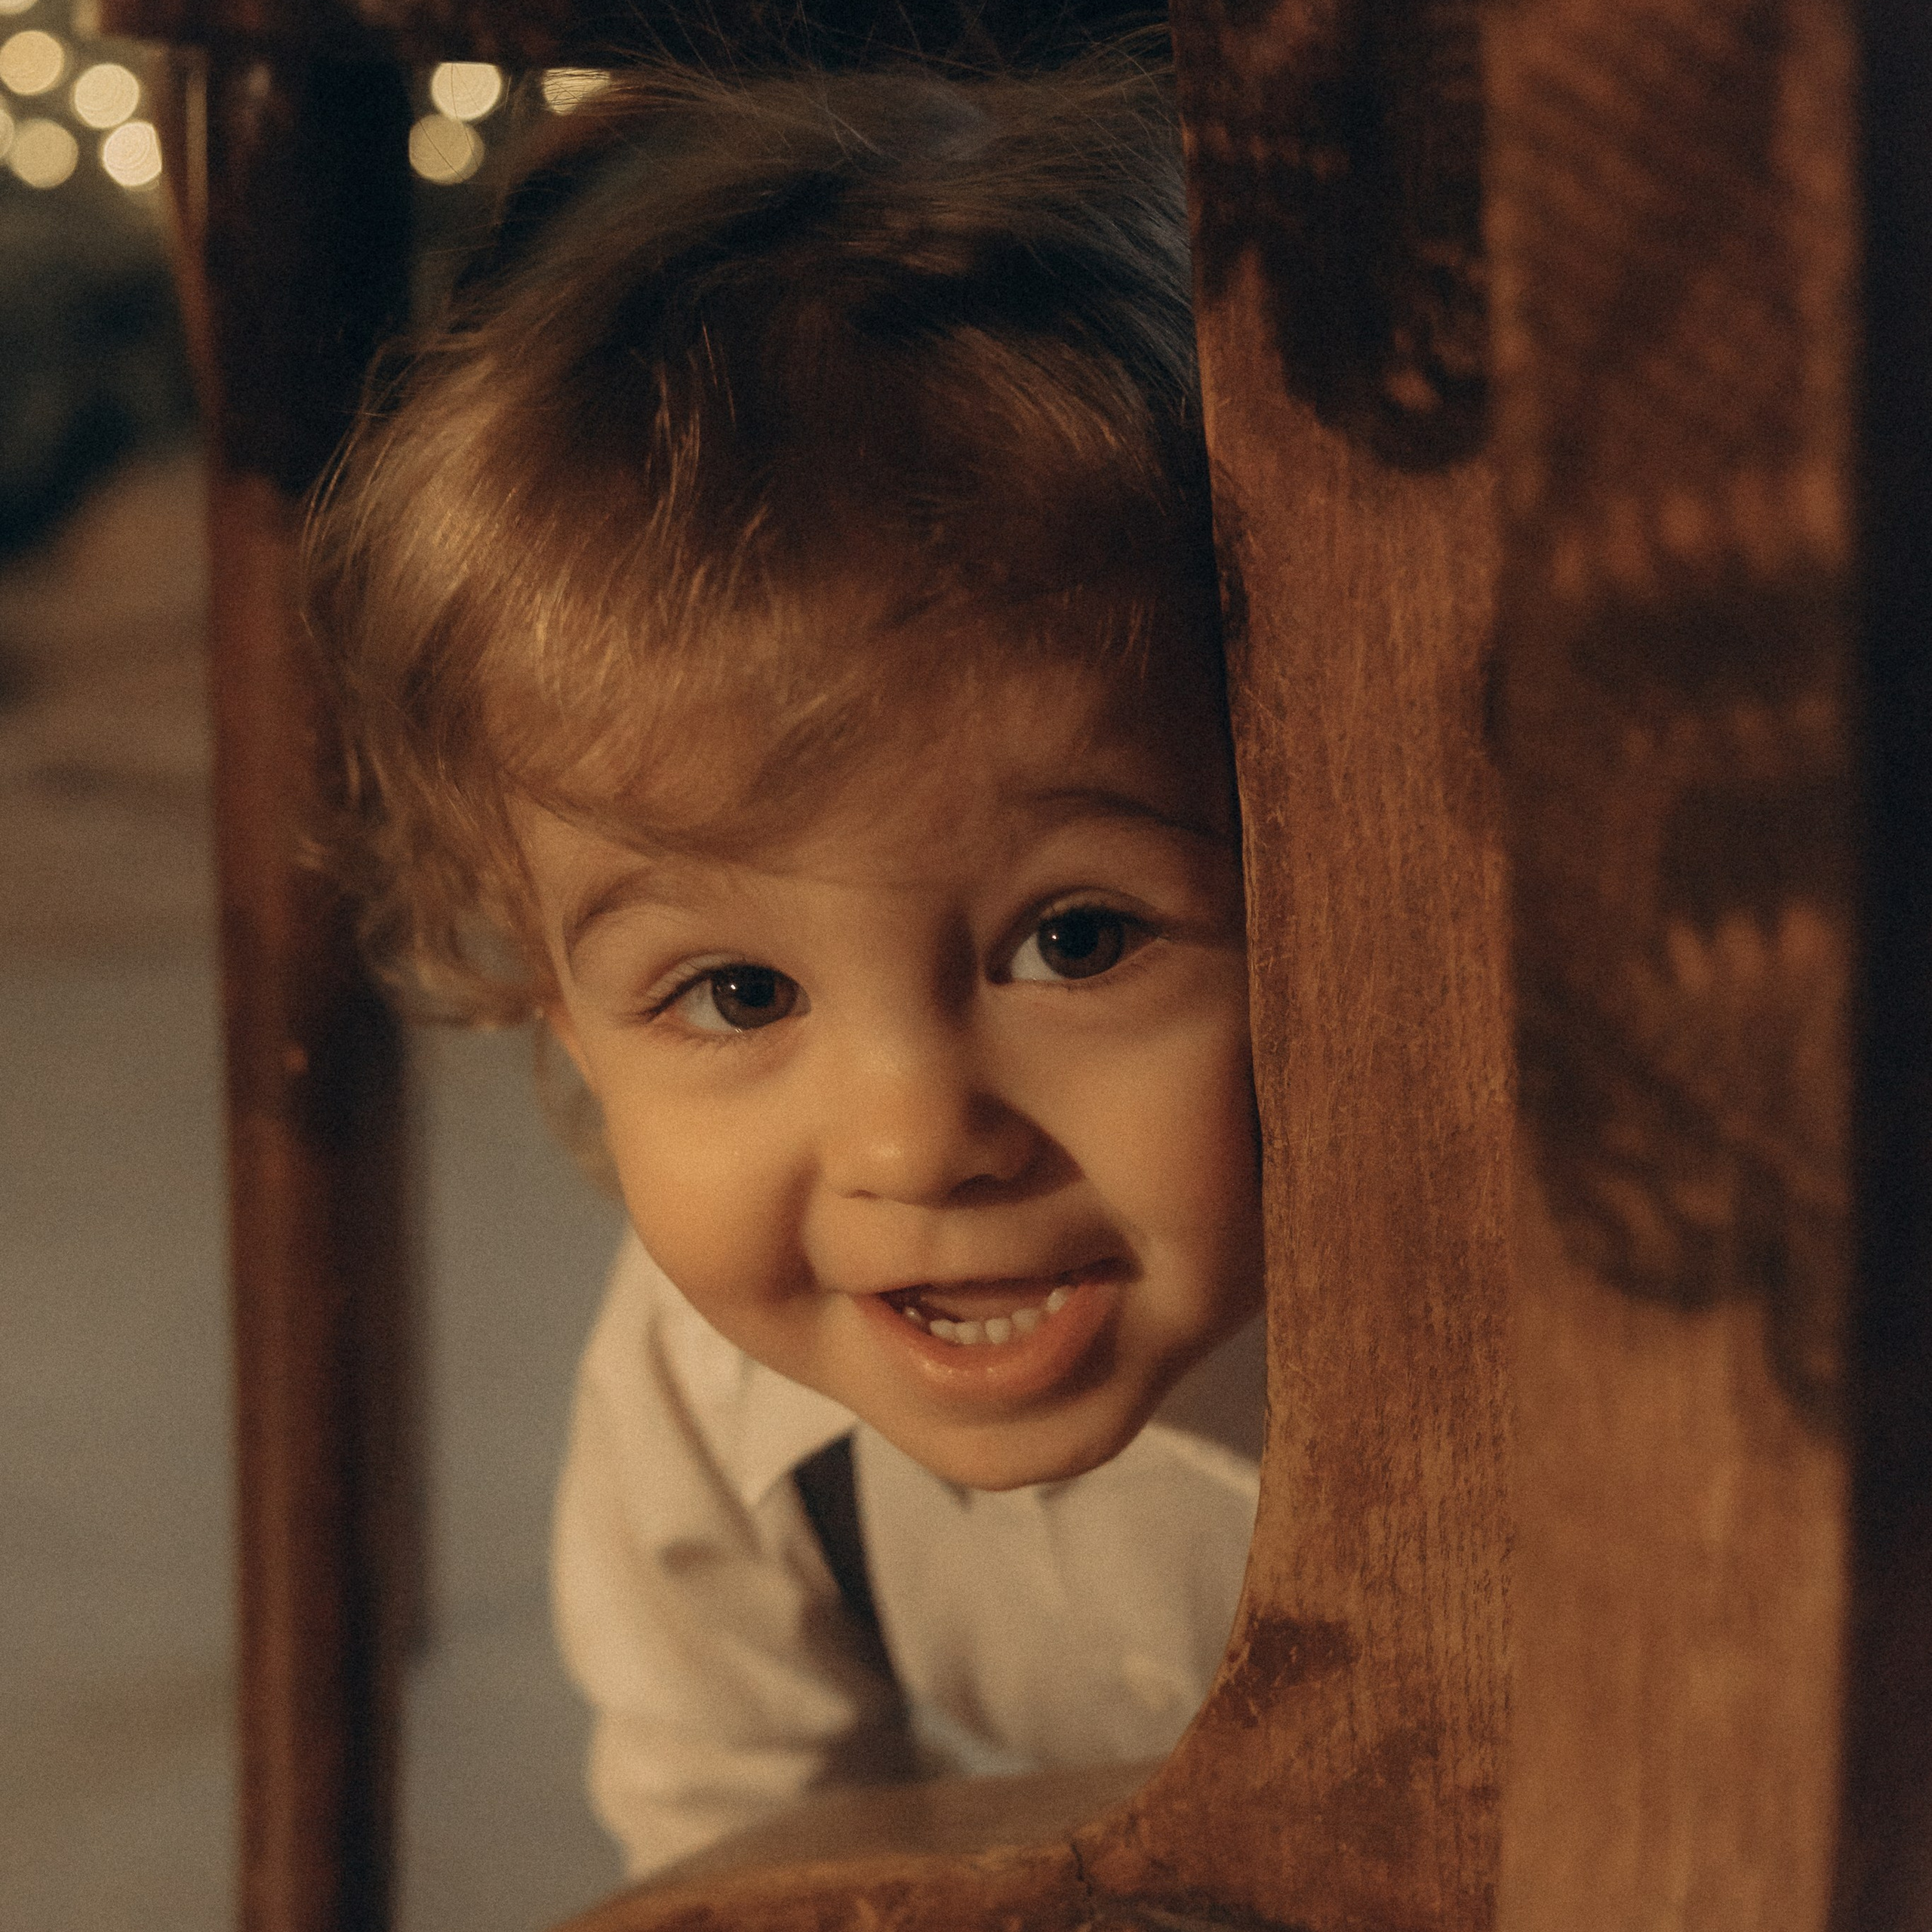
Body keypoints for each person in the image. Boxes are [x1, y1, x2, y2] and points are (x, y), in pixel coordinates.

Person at [306, 52, 1266, 1878]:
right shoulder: (700, 1398)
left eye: (1073, 940)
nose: (917, 1141)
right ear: (555, 1007)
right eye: (737, 991)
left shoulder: (1509, 1344)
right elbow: (745, 1852)